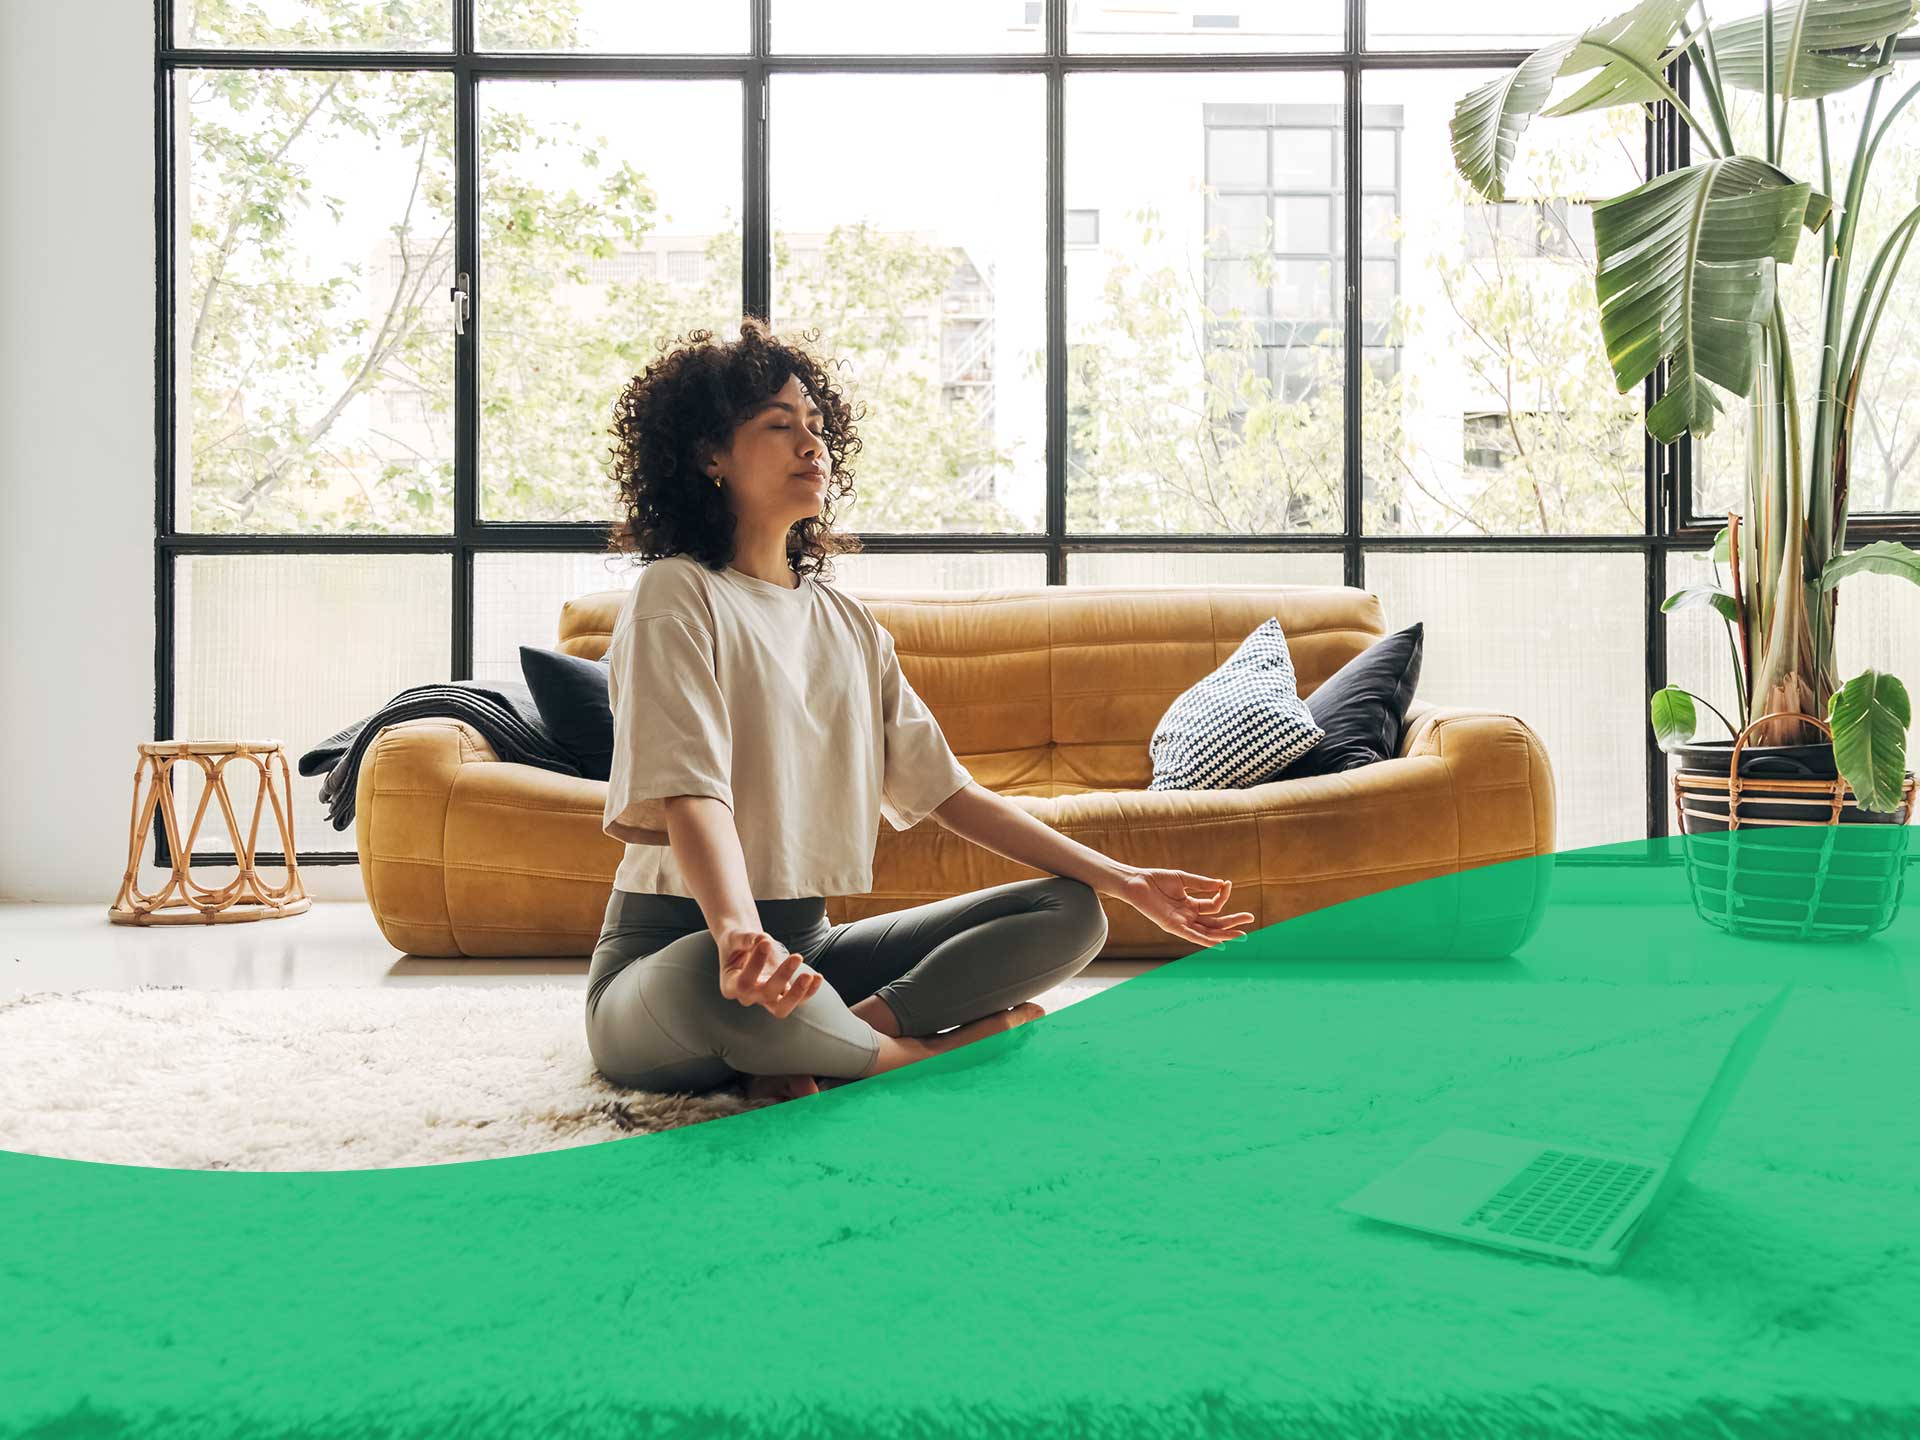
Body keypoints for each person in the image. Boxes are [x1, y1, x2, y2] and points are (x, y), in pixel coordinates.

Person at [584, 316, 1255, 1105]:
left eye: (817, 426)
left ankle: (841, 1039)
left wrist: (1126, 877)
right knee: (714, 979)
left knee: (1070, 912)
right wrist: (735, 932)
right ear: (708, 456)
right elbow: (692, 789)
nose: (813, 445)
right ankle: (912, 1056)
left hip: (809, 947)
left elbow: (951, 794)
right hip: (674, 954)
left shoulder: (849, 625)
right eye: (779, 425)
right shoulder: (678, 592)